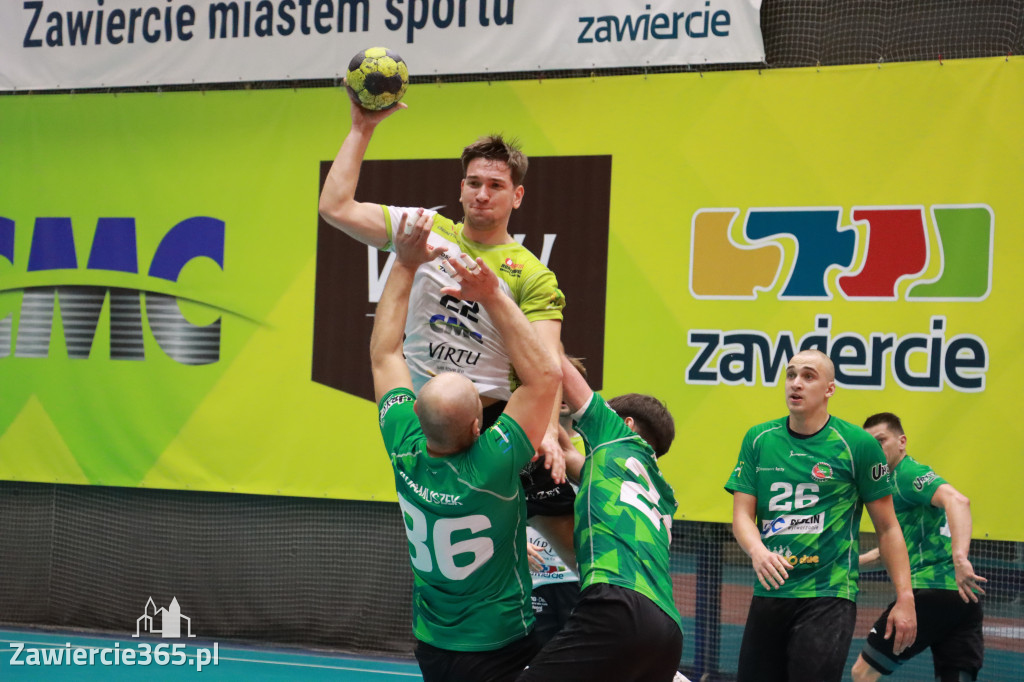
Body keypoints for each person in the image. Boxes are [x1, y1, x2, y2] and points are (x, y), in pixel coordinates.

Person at [318, 96, 577, 570]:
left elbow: (546, 360)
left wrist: (548, 431)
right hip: (432, 426)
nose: (482, 194)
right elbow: (335, 207)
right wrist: (361, 129)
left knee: (573, 546)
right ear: (460, 189)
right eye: (474, 183)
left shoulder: (532, 275)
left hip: (501, 426)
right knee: (462, 555)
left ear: (516, 196)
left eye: (496, 185)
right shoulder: (424, 231)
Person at [370, 212, 561, 682]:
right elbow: (547, 376)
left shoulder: (404, 447)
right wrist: (494, 294)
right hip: (498, 643)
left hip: (432, 642)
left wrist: (405, 263)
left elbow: (385, 353)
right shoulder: (494, 463)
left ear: (415, 413)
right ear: (480, 426)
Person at [724, 349, 917, 682]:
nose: (796, 384)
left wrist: (905, 597)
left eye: (808, 376)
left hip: (828, 593)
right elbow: (742, 515)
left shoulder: (857, 444)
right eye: (791, 375)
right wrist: (757, 551)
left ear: (829, 389)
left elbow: (887, 528)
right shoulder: (758, 439)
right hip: (771, 591)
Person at [517, 355, 683, 682]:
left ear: (627, 425)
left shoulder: (616, 439)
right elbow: (568, 458)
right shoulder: (659, 490)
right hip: (668, 629)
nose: (584, 425)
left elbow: (553, 359)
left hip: (617, 606)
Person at [851, 412, 986, 682]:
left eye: (882, 441)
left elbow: (958, 501)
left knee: (862, 673)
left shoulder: (906, 474)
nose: (876, 450)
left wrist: (960, 558)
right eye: (869, 445)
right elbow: (889, 551)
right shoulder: (888, 484)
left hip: (930, 592)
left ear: (902, 442)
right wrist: (848, 564)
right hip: (963, 599)